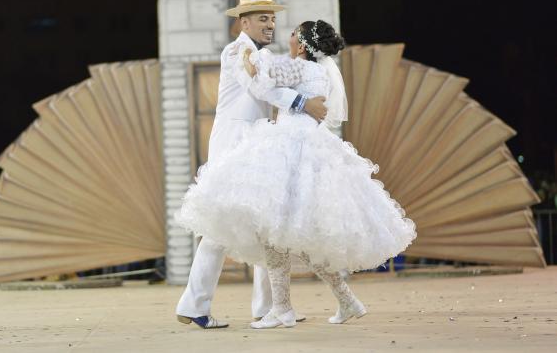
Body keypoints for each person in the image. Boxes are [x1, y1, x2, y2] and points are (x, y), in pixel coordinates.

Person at [176, 20, 417, 329]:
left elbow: (265, 86)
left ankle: (282, 309)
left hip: (290, 148)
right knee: (299, 234)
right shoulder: (318, 70)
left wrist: (255, 67)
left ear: (303, 45)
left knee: (277, 231)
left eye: (293, 34)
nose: (282, 33)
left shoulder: (298, 68)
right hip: (308, 147)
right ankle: (340, 302)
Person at [175, 0, 329, 329]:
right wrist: (304, 103)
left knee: (266, 221)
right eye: (263, 18)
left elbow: (273, 80)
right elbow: (259, 87)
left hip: (255, 142)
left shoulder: (263, 52)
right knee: (220, 226)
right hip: (235, 142)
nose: (270, 23)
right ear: (243, 22)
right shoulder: (237, 50)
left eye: (272, 17)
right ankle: (196, 304)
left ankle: (269, 306)